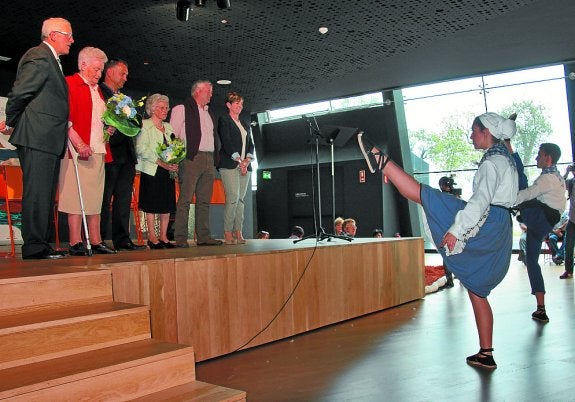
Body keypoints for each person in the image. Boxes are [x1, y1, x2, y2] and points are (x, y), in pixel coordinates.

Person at [358, 112, 519, 370]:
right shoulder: (505, 159)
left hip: (488, 222)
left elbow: (480, 201)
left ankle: (379, 159)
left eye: (474, 131)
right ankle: (486, 353)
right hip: (499, 225)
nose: (471, 136)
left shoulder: (492, 163)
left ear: (486, 132)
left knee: (428, 197)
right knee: (476, 290)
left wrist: (456, 230)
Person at [0, 18, 73, 259]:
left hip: (47, 137)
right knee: (38, 193)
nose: (71, 40)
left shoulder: (50, 59)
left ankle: (40, 244)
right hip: (38, 136)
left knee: (45, 194)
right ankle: (34, 247)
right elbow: (21, 92)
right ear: (53, 35)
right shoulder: (39, 55)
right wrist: (11, 121)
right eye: (68, 35)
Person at [59, 47, 117, 256]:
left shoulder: (98, 90)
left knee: (95, 198)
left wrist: (108, 128)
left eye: (101, 70)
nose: (99, 74)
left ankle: (96, 239)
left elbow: (98, 120)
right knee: (75, 197)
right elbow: (64, 118)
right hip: (76, 150)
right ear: (83, 65)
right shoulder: (69, 83)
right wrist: (78, 143)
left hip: (98, 149)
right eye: (96, 69)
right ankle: (75, 242)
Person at [515, 143, 565, 323]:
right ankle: (540, 308)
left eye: (539, 154)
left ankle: (512, 151)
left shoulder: (547, 178)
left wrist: (509, 200)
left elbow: (528, 193)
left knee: (521, 181)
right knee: (531, 262)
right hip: (543, 223)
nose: (536, 158)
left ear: (548, 158)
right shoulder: (557, 176)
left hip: (542, 217)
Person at [99, 59, 146, 251]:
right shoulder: (99, 92)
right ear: (110, 72)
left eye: (126, 74)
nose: (125, 78)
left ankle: (122, 239)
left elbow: (134, 124)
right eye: (122, 73)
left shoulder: (124, 98)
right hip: (110, 152)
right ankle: (99, 238)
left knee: (124, 199)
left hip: (126, 154)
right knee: (104, 197)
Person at [170, 80, 222, 247]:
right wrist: (175, 159)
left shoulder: (208, 113)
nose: (211, 94)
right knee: (185, 199)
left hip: (209, 158)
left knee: (204, 200)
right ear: (197, 91)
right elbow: (173, 135)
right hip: (191, 158)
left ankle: (204, 237)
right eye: (208, 91)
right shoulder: (181, 109)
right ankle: (180, 237)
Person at [135, 94, 178, 249]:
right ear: (152, 109)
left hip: (167, 171)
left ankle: (164, 237)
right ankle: (152, 237)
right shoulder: (144, 125)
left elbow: (174, 148)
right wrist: (161, 162)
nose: (165, 110)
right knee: (151, 204)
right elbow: (140, 148)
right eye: (161, 107)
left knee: (167, 204)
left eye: (166, 108)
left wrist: (174, 162)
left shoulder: (169, 127)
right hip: (152, 169)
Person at [217, 92, 254, 245]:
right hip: (230, 164)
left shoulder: (245, 123)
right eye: (237, 103)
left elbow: (251, 144)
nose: (240, 106)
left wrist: (247, 160)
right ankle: (227, 232)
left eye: (241, 104)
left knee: (240, 200)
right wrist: (239, 160)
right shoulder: (224, 120)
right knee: (233, 198)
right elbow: (226, 142)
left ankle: (238, 231)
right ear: (228, 105)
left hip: (245, 165)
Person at [560, 163, 575, 279]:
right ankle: (568, 270)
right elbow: (560, 183)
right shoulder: (571, 182)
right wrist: (566, 172)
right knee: (568, 246)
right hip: (572, 219)